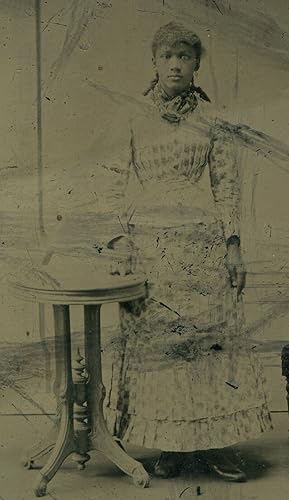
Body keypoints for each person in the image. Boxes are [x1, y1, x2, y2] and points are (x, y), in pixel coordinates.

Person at [103, 21, 273, 482]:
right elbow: (113, 180)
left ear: (197, 64)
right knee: (162, 350)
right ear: (154, 63)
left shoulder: (214, 120)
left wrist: (234, 247)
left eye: (184, 56)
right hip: (151, 250)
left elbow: (228, 188)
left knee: (208, 347)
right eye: (165, 56)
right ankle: (171, 447)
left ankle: (218, 446)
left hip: (203, 247)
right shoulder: (132, 115)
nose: (174, 64)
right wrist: (120, 243)